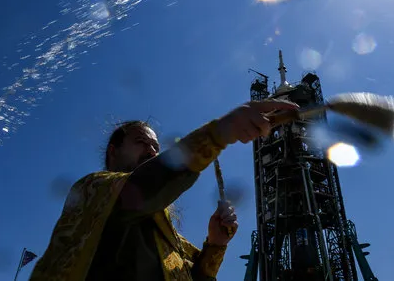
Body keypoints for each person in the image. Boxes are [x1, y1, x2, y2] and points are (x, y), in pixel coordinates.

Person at [30, 99, 298, 281]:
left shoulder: (170, 241)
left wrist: (216, 244)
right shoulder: (94, 190)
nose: (151, 151)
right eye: (140, 142)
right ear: (114, 151)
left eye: (156, 148)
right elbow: (144, 187)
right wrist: (220, 133)